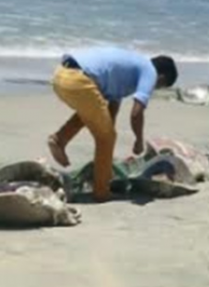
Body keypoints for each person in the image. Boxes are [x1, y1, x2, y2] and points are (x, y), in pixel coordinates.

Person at [47, 47, 178, 202]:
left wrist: (107, 151)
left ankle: (59, 139)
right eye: (159, 86)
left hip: (61, 76)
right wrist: (138, 140)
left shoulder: (128, 71)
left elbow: (109, 111)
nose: (154, 89)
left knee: (95, 116)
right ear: (161, 77)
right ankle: (101, 192)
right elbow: (136, 114)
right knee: (107, 137)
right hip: (79, 81)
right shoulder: (149, 71)